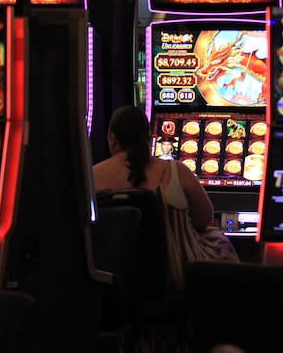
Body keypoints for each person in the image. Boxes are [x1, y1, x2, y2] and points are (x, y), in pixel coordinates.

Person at [92, 105, 239, 291]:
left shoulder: (91, 176)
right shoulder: (175, 171)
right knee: (218, 238)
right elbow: (204, 220)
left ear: (112, 140)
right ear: (148, 136)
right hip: (174, 277)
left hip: (111, 279)